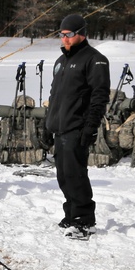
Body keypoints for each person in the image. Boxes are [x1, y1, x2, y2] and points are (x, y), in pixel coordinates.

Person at [45, 14, 110, 238]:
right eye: (61, 35)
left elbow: (99, 97)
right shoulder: (60, 61)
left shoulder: (95, 59)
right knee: (63, 176)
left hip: (77, 127)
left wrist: (90, 127)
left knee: (76, 175)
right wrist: (47, 125)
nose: (64, 39)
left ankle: (84, 221)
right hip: (60, 127)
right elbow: (54, 96)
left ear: (82, 33)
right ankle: (71, 214)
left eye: (69, 35)